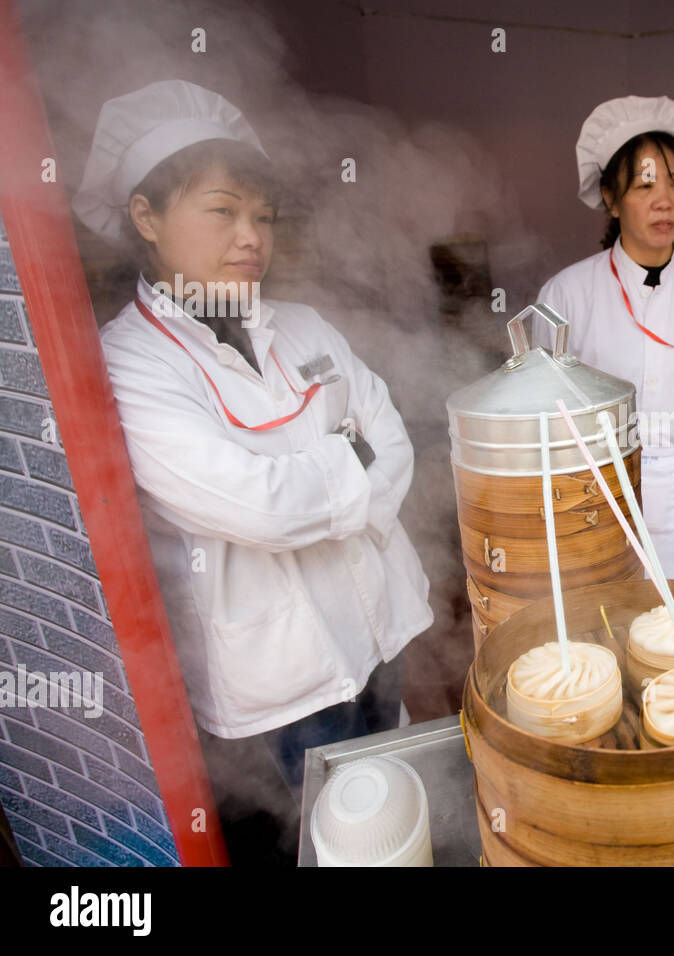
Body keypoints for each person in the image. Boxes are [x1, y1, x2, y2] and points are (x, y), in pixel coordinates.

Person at [73, 80, 434, 864]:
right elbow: (255, 505)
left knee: (393, 822)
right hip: (282, 683)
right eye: (222, 210)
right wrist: (346, 464)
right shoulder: (127, 363)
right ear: (146, 216)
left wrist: (318, 478)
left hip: (381, 630)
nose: (251, 237)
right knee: (311, 845)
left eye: (263, 217)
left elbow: (394, 441)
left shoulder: (304, 327)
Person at [536, 95, 674, 581]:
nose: (665, 201)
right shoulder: (567, 293)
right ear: (610, 198)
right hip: (598, 498)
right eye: (644, 184)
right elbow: (540, 415)